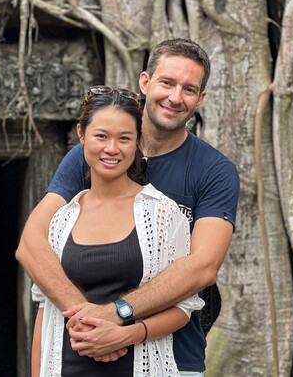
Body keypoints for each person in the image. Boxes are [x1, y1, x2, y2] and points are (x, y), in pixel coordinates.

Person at [16, 38, 240, 375]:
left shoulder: (212, 171)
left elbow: (203, 267)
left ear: (201, 99)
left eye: (189, 89)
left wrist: (117, 315)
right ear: (145, 82)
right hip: (76, 354)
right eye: (166, 82)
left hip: (173, 358)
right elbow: (33, 243)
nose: (175, 97)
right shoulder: (91, 157)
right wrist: (89, 320)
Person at [31, 87, 204, 376]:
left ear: (138, 141)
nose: (112, 148)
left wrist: (125, 335)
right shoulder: (60, 220)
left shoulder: (163, 214)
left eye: (124, 138)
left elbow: (183, 308)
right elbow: (44, 311)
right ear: (82, 135)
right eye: (101, 136)